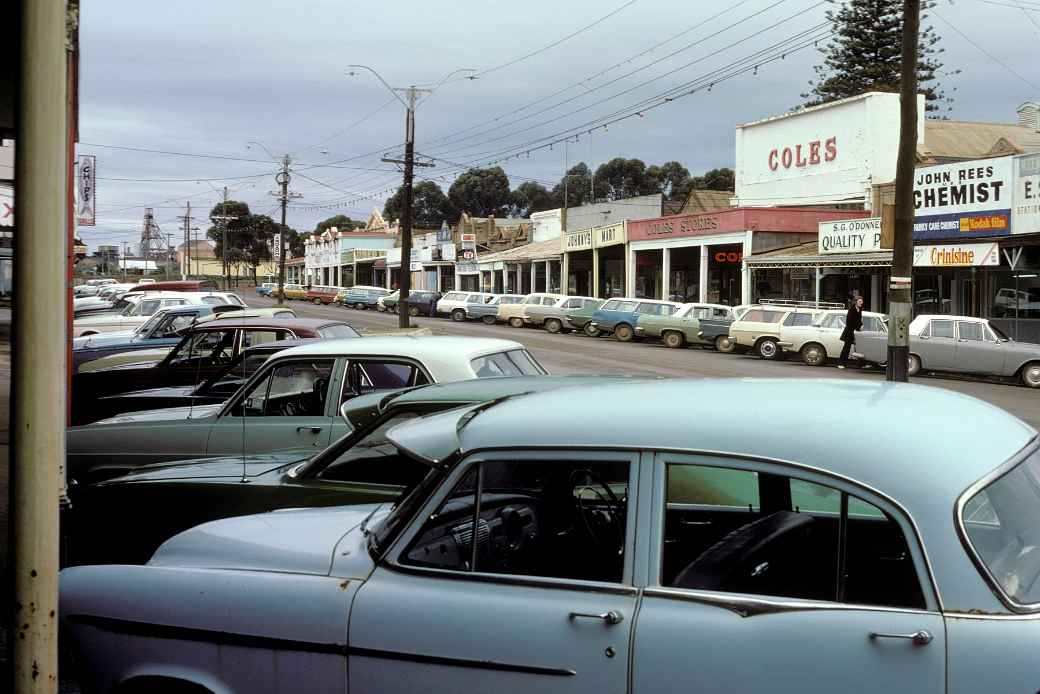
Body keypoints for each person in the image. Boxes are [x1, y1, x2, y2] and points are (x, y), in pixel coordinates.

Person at [838, 296, 864, 369]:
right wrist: (859, 327)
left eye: (862, 301)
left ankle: (861, 364)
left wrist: (861, 325)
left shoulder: (860, 309)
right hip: (849, 331)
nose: (861, 303)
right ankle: (841, 363)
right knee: (846, 348)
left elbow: (859, 320)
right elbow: (850, 322)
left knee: (859, 348)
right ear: (856, 302)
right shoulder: (851, 310)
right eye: (860, 301)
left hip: (856, 332)